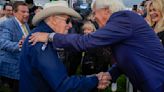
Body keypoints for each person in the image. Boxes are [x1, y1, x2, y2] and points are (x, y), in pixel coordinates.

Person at [29, 0, 164, 92]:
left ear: (106, 10)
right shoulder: (122, 22)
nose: (93, 18)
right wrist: (110, 74)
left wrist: (50, 37)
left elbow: (86, 42)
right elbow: (127, 59)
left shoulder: (123, 18)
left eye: (94, 12)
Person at [20, 1, 111, 92]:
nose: (70, 25)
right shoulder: (40, 42)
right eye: (67, 20)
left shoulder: (43, 36)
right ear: (53, 19)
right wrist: (95, 80)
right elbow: (62, 85)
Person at [0, 1, 30, 92]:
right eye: (23, 12)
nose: (27, 14)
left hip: (23, 65)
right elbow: (3, 42)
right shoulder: (7, 23)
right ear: (14, 12)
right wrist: (19, 45)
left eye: (27, 12)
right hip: (12, 67)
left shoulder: (26, 24)